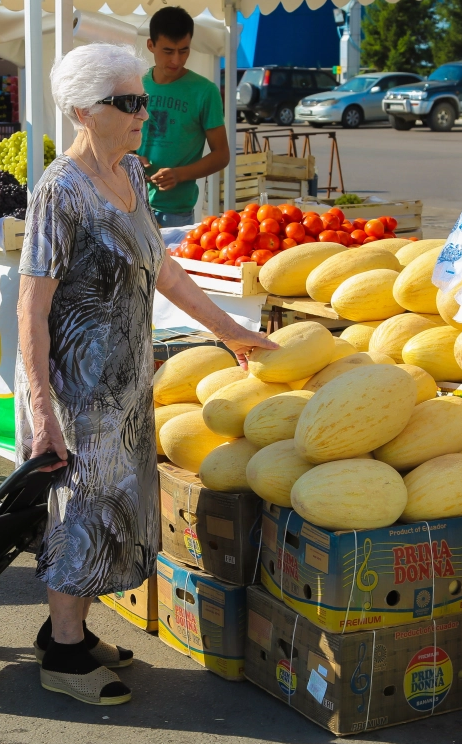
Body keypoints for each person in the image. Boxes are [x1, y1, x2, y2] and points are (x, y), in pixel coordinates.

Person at [18, 42, 277, 705]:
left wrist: (230, 331)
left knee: (118, 504)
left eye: (144, 100)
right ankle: (65, 654)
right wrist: (41, 411)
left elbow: (162, 266)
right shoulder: (59, 190)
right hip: (80, 393)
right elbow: (32, 308)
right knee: (81, 511)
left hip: (130, 382)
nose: (143, 113)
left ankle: (68, 632)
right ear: (82, 110)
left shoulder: (130, 170)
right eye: (128, 102)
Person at [137, 6, 230, 228]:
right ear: (151, 45)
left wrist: (180, 174)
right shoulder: (135, 84)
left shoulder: (205, 91)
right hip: (130, 205)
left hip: (175, 213)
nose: (176, 60)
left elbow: (222, 154)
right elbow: (114, 138)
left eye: (184, 50)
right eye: (168, 51)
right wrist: (130, 158)